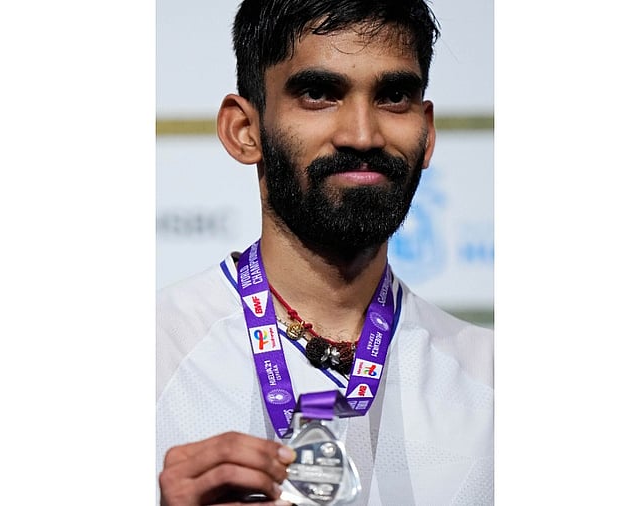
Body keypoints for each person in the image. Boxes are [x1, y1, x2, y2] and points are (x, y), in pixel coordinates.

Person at [157, 1, 493, 504]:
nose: (362, 134)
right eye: (318, 93)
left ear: (427, 133)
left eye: (394, 95)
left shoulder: (493, 380)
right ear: (244, 130)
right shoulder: (152, 355)